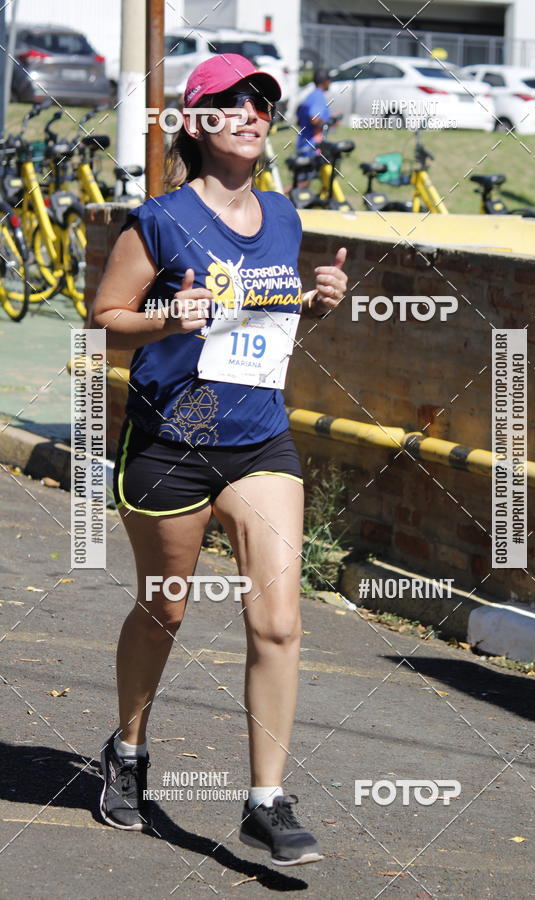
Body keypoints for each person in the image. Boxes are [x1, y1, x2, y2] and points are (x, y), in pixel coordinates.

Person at [92, 53, 347, 867]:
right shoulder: (158, 221)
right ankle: (128, 752)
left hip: (259, 441)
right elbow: (103, 320)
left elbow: (267, 321)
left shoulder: (283, 216)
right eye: (231, 101)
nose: (251, 111)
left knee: (278, 621)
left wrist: (316, 303)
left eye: (262, 101)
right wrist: (168, 315)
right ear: (197, 123)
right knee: (164, 611)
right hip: (170, 443)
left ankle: (266, 801)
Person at [296, 69, 333, 157]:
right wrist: (328, 123)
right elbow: (314, 119)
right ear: (325, 81)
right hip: (312, 148)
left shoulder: (311, 95)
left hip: (304, 145)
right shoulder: (318, 96)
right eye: (329, 81)